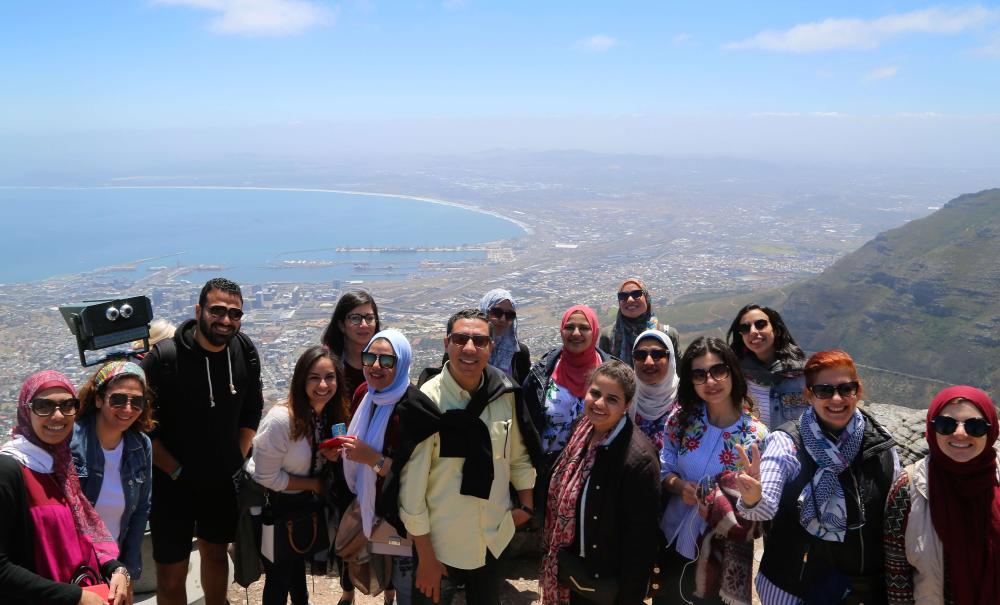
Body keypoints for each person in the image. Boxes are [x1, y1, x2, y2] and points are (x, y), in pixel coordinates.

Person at [735, 349, 899, 605]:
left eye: (846, 389)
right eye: (824, 390)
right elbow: (763, 507)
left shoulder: (880, 445)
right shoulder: (787, 442)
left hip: (863, 591)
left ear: (858, 391)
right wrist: (754, 498)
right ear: (809, 395)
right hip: (794, 588)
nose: (837, 398)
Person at [399, 308, 538, 605]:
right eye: (461, 339)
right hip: (441, 547)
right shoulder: (427, 403)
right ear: (446, 343)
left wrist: (525, 507)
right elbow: (411, 492)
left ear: (491, 346)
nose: (470, 349)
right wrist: (425, 558)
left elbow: (517, 457)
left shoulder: (504, 393)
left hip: (493, 540)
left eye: (480, 341)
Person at [141, 277, 264, 605]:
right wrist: (177, 471)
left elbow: (252, 410)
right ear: (199, 311)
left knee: (215, 554)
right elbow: (144, 426)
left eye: (235, 314)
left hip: (220, 482)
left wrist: (234, 457)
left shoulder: (244, 351)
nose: (226, 320)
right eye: (218, 311)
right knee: (170, 573)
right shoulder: (164, 359)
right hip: (171, 482)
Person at [0, 371, 131, 605]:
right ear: (25, 410)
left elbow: (83, 535)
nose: (57, 415)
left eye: (67, 405)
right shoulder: (9, 470)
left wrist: (116, 568)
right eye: (43, 406)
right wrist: (75, 597)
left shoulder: (60, 464)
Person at [656, 336, 767, 605]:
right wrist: (679, 486)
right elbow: (664, 467)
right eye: (699, 374)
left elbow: (760, 510)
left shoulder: (757, 436)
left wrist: (752, 496)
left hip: (723, 549)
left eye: (718, 370)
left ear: (732, 371)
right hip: (672, 537)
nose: (710, 381)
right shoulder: (681, 420)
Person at [541, 360, 661, 605]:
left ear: (626, 406)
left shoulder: (638, 459)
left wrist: (630, 598)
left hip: (601, 581)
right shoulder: (582, 429)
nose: (599, 403)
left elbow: (641, 541)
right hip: (570, 567)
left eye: (612, 399)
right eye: (595, 393)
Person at [341, 329, 441, 605]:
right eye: (369, 357)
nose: (375, 366)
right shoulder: (365, 394)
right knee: (384, 576)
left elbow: (416, 475)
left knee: (407, 587)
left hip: (402, 519)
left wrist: (371, 459)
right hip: (371, 508)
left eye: (386, 361)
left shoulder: (414, 409)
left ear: (402, 364)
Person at [247, 345, 345, 605]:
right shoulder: (281, 420)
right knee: (279, 575)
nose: (323, 385)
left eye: (330, 377)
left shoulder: (325, 417)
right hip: (277, 505)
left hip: (304, 503)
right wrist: (313, 483)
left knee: (296, 564)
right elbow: (265, 477)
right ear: (301, 380)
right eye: (314, 377)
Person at [883, 386, 999, 605]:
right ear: (931, 428)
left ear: (991, 432)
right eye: (946, 425)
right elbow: (897, 577)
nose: (960, 433)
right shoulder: (907, 489)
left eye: (975, 426)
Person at [71, 360, 155, 581]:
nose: (128, 409)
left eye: (137, 402)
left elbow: (141, 510)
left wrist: (126, 568)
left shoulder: (140, 445)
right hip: (74, 561)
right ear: (98, 399)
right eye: (118, 399)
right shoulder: (71, 441)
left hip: (113, 564)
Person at [522, 305, 612, 476]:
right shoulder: (541, 374)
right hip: (548, 474)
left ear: (594, 332)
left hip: (596, 474)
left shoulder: (610, 373)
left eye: (584, 328)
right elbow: (525, 427)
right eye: (569, 327)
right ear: (561, 331)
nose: (576, 333)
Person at [726, 304, 807, 429]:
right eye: (745, 328)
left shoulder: (804, 374)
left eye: (760, 324)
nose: (753, 331)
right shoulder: (736, 376)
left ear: (775, 329)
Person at [321, 290, 382, 411]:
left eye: (369, 318)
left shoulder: (386, 361)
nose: (364, 324)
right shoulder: (327, 362)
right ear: (341, 325)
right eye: (355, 318)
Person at [598, 278, 680, 366]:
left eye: (636, 294)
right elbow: (605, 371)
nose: (630, 300)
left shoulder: (667, 334)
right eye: (623, 296)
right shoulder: (608, 335)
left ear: (647, 298)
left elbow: (679, 370)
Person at [630, 329, 679, 451]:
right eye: (640, 355)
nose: (648, 362)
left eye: (657, 355)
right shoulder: (624, 397)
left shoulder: (688, 399)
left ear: (670, 358)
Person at [479, 289, 531, 384]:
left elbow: (523, 390)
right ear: (484, 312)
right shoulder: (464, 347)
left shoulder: (519, 352)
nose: (503, 319)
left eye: (509, 315)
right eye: (497, 312)